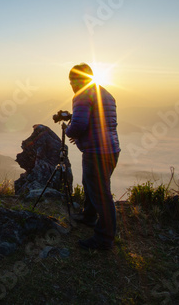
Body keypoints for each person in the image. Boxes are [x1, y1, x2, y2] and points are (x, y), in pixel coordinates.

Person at [65, 63, 120, 250]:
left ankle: (105, 238)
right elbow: (102, 122)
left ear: (77, 80)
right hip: (111, 149)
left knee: (100, 193)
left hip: (97, 152)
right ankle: (88, 216)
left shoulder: (82, 95)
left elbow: (79, 125)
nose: (71, 85)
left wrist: (68, 129)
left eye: (71, 81)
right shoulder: (106, 94)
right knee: (91, 185)